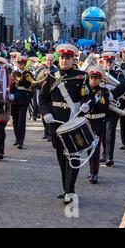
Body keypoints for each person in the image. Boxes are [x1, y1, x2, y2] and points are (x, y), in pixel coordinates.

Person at [39, 44, 89, 205]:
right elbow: (43, 99)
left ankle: (70, 190)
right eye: (61, 57)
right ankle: (65, 188)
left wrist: (86, 104)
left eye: (67, 58)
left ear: (73, 59)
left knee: (73, 156)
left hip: (73, 121)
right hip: (56, 122)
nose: (63, 60)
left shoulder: (81, 76)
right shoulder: (52, 76)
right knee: (61, 157)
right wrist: (46, 113)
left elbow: (89, 95)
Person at [81, 66, 110, 184]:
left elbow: (105, 108)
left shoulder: (104, 91)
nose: (93, 80)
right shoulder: (85, 90)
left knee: (96, 148)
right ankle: (91, 169)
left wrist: (97, 102)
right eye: (91, 78)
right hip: (87, 121)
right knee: (89, 147)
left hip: (99, 122)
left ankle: (94, 173)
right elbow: (82, 102)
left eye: (96, 78)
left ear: (100, 79)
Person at [10, 55, 33, 149]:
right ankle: (17, 138)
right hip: (14, 98)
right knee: (15, 120)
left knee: (21, 120)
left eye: (22, 64)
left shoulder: (28, 73)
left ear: (25, 64)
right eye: (19, 63)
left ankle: (21, 141)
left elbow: (29, 84)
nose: (20, 65)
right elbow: (11, 84)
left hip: (24, 97)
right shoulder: (14, 73)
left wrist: (20, 81)